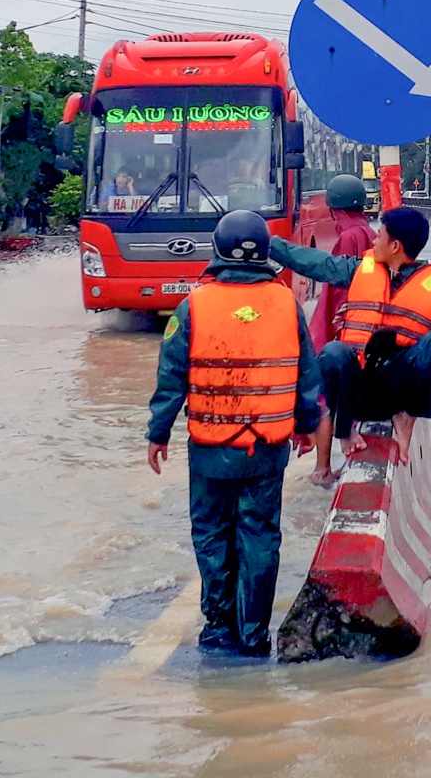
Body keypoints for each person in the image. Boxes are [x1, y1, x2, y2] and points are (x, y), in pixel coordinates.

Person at [146, 209, 321, 658]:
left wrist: (158, 433)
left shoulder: (193, 306)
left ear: (218, 250)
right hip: (267, 449)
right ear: (265, 252)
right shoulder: (286, 303)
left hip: (209, 450)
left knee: (211, 534)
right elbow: (307, 375)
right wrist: (304, 427)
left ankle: (219, 627)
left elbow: (171, 377)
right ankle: (254, 634)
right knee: (260, 536)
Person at [269, 206, 431, 463]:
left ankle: (406, 418)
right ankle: (345, 430)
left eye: (380, 236)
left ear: (395, 246)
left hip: (396, 390)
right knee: (333, 352)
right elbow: (314, 262)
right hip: (358, 389)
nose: (374, 240)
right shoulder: (357, 270)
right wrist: (269, 243)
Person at [306, 175, 377, 487]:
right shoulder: (372, 233)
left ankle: (321, 469)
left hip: (344, 331)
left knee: (325, 397)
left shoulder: (346, 238)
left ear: (334, 211)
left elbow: (337, 293)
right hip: (369, 330)